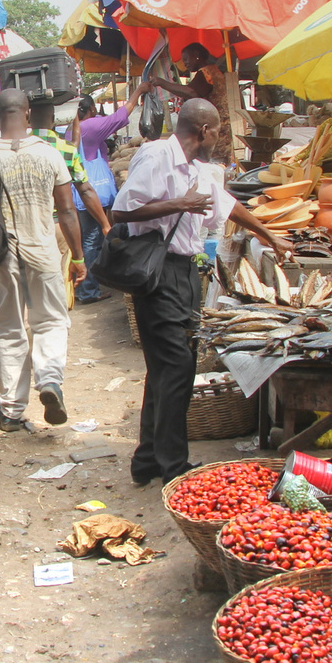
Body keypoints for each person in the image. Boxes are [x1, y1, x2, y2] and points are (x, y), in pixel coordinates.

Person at [112, 99, 291, 485]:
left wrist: (269, 234)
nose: (219, 139)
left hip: (185, 274)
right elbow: (122, 211)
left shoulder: (198, 167)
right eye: (218, 132)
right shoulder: (158, 155)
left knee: (172, 367)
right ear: (204, 131)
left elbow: (225, 206)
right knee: (175, 368)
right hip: (158, 273)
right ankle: (173, 465)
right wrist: (181, 203)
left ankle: (148, 460)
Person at [0, 89, 86, 431]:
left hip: (1, 255)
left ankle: (11, 409)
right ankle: (50, 380)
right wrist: (79, 257)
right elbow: (68, 212)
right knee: (51, 321)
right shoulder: (49, 154)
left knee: (9, 328)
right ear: (28, 114)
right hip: (42, 252)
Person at [70, 81, 149, 303]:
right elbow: (121, 116)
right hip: (89, 193)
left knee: (86, 239)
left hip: (75, 193)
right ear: (91, 110)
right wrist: (139, 91)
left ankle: (83, 286)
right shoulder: (89, 127)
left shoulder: (68, 129)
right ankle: (88, 291)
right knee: (92, 240)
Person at [26, 99, 111, 304]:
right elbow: (86, 190)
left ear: (27, 117)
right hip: (57, 227)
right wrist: (105, 224)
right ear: (54, 118)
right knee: (58, 283)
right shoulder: (64, 149)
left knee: (28, 286)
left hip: (23, 226)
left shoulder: (14, 147)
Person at [155, 42, 234, 164]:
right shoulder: (214, 70)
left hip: (215, 131)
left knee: (215, 165)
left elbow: (191, 92)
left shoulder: (206, 73)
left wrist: (162, 83)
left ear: (197, 56)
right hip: (220, 128)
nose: (185, 63)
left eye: (186, 59)